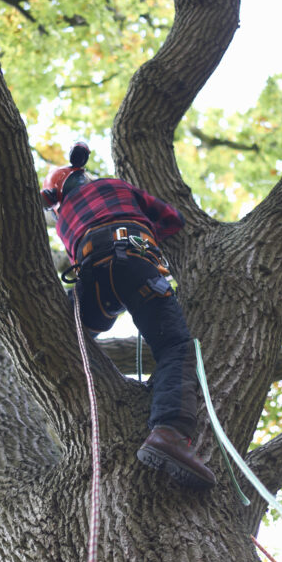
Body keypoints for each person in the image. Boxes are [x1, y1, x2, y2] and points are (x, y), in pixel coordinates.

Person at [41, 142, 216, 491]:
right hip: (135, 261)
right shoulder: (113, 187)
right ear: (82, 174)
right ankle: (169, 432)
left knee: (89, 325)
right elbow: (172, 219)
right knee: (175, 346)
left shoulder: (63, 222)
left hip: (91, 275)